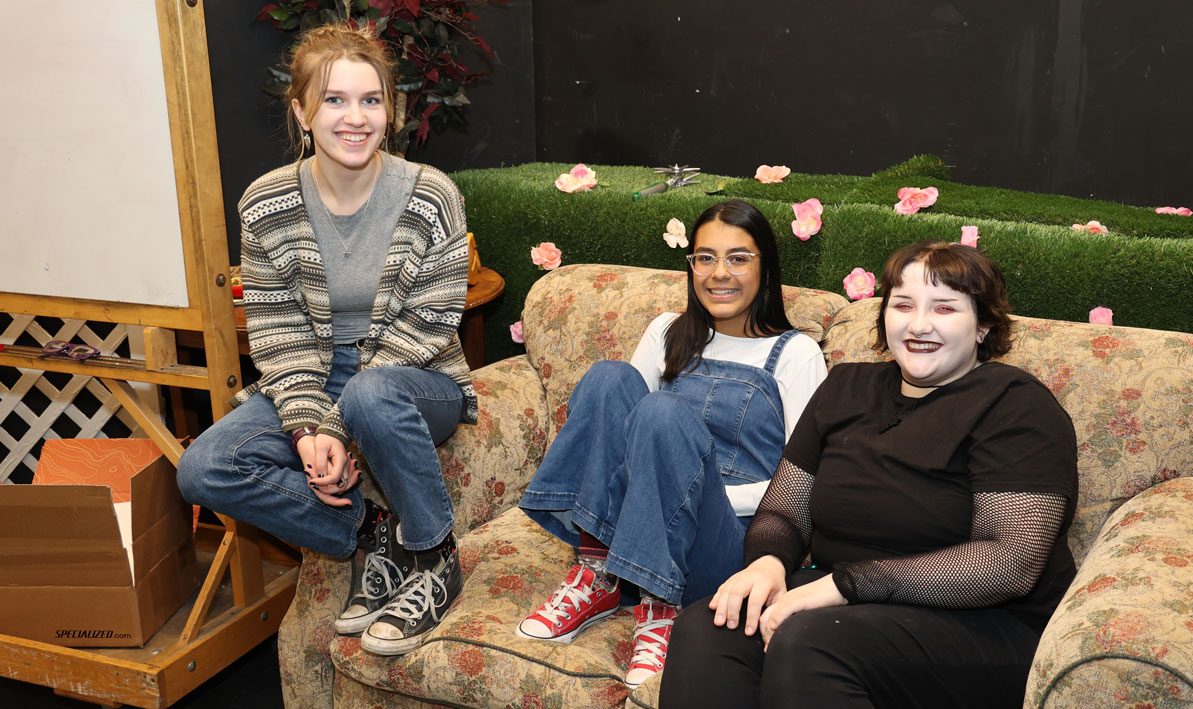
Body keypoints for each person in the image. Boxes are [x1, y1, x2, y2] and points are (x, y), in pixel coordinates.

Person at [659, 241, 1079, 707]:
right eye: (904, 305)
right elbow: (785, 511)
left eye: (944, 308)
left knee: (809, 641)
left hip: (984, 625)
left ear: (983, 325)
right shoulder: (845, 387)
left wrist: (843, 586)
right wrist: (768, 563)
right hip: (846, 608)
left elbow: (1008, 563)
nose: (919, 325)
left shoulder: (1016, 406)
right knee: (708, 626)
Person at [176, 24, 475, 657]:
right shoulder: (266, 202)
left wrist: (336, 425)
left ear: (390, 110)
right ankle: (372, 533)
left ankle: (434, 556)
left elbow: (430, 322)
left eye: (371, 100)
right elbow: (278, 332)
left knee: (369, 394)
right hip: (314, 370)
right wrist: (306, 426)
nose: (355, 118)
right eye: (335, 99)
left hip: (418, 375)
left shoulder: (431, 195)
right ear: (301, 111)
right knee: (203, 468)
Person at [516, 199, 828, 688]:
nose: (719, 273)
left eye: (738, 258)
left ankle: (662, 607)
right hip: (643, 531)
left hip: (728, 545)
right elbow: (620, 437)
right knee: (609, 378)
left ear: (766, 268)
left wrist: (685, 491)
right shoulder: (666, 330)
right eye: (705, 258)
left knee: (662, 411)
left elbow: (805, 485)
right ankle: (599, 573)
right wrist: (653, 495)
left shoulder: (796, 353)